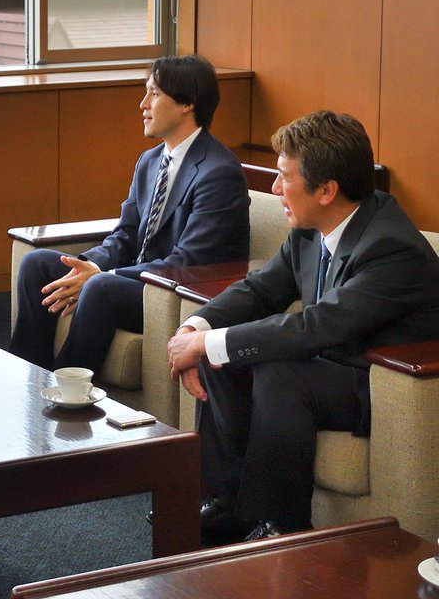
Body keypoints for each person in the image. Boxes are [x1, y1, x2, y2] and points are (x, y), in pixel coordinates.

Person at [167, 110, 439, 541]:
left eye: (283, 177)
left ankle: (283, 528)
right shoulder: (311, 230)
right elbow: (260, 290)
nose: (275, 190)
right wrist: (195, 329)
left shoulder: (391, 249)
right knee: (224, 359)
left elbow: (315, 327)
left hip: (381, 384)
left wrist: (208, 344)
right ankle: (225, 503)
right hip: (327, 363)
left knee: (277, 369)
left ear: (327, 190)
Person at [10, 54, 250, 372]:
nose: (142, 104)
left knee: (100, 287)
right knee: (37, 265)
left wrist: (104, 276)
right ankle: (27, 378)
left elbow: (189, 261)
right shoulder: (150, 161)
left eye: (154, 93)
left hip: (173, 293)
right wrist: (90, 265)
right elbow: (125, 235)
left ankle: (68, 394)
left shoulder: (218, 172)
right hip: (135, 280)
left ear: (187, 103)